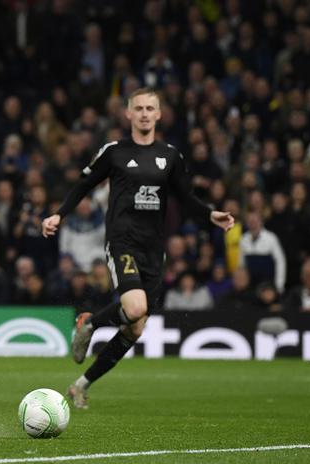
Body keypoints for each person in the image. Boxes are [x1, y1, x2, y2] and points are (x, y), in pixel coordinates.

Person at [42, 88, 234, 409]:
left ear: (159, 115)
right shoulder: (114, 152)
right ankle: (88, 324)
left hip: (153, 249)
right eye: (139, 108)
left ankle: (81, 385)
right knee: (134, 308)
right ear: (128, 114)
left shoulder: (171, 156)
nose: (145, 113)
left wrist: (210, 213)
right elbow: (83, 185)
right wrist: (59, 214)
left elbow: (186, 197)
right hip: (122, 241)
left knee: (136, 326)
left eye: (150, 109)